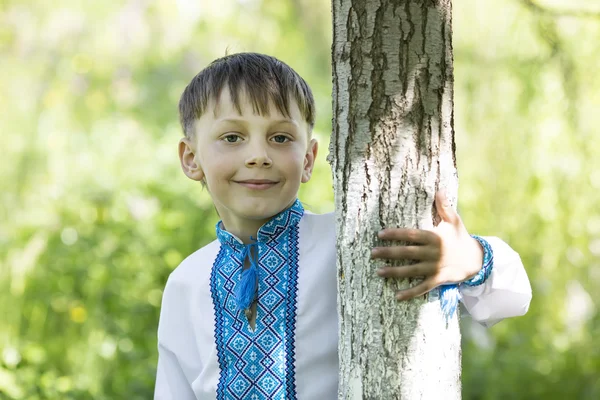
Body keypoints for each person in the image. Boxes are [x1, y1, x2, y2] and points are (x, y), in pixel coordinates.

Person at [154, 52, 532, 400]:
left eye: (280, 137)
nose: (258, 156)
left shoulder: (350, 240)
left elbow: (513, 294)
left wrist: (470, 259)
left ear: (308, 158)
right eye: (232, 137)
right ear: (191, 158)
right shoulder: (186, 283)